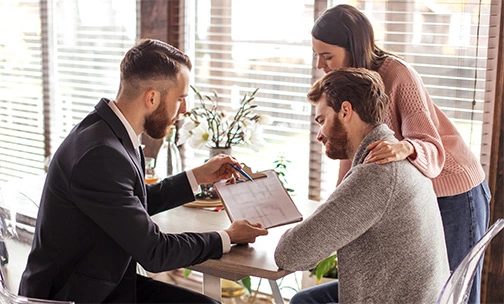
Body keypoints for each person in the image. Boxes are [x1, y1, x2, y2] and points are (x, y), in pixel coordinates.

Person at [19, 38, 268, 303]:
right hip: (73, 297)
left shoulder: (109, 131)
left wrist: (199, 176)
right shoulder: (100, 154)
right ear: (152, 97)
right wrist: (226, 237)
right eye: (181, 98)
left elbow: (133, 201)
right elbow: (155, 252)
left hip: (102, 284)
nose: (184, 110)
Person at [310, 4, 491, 303]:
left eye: (327, 56)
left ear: (353, 47)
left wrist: (405, 147)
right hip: (417, 194)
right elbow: (349, 153)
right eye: (317, 54)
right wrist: (336, 209)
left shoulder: (397, 74)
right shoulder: (344, 86)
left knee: (454, 294)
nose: (320, 64)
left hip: (454, 190)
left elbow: (431, 147)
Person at [275, 67, 450, 303]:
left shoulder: (376, 173)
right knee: (305, 300)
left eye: (322, 120)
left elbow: (290, 255)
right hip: (420, 294)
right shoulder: (395, 154)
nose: (319, 134)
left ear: (346, 111)